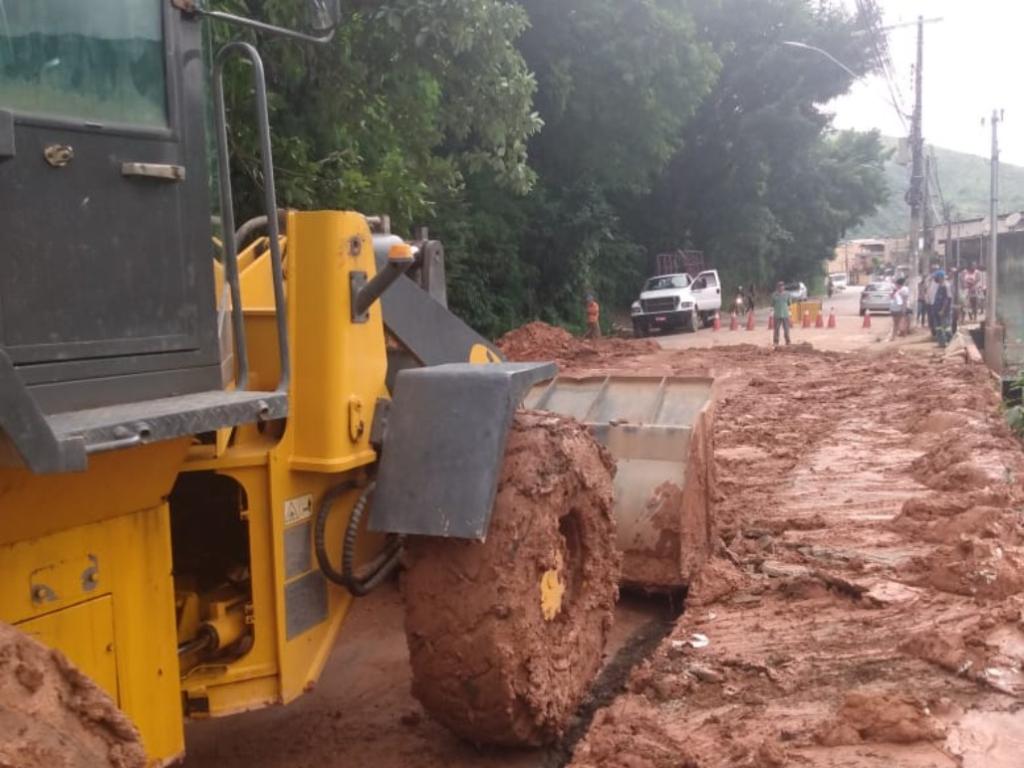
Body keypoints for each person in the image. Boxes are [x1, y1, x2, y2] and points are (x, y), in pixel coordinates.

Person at [933, 271, 952, 346]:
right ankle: (941, 342)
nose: (935, 279)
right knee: (938, 327)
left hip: (944, 311)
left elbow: (947, 299)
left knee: (946, 327)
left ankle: (949, 342)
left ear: (940, 277)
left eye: (936, 277)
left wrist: (943, 310)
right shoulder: (939, 286)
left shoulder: (946, 286)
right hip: (937, 309)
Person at [771, 281, 791, 347]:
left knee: (786, 329)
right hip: (777, 314)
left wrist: (790, 312)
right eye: (779, 286)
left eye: (782, 286)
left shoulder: (787, 294)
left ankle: (788, 341)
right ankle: (775, 342)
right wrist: (772, 312)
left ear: (784, 287)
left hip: (785, 314)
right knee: (776, 329)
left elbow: (789, 303)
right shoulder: (774, 295)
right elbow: (772, 304)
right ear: (777, 287)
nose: (781, 287)